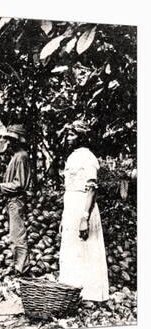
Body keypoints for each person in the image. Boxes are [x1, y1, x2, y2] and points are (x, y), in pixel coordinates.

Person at [58, 120, 109, 302]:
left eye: (72, 135)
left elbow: (91, 189)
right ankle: (73, 292)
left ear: (82, 137)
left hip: (82, 205)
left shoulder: (88, 157)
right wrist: (66, 217)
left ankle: (91, 295)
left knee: (86, 248)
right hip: (71, 205)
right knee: (73, 249)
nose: (69, 138)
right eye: (69, 135)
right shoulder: (73, 157)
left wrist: (84, 217)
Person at [0, 124, 33, 275]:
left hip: (16, 200)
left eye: (11, 139)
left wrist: (0, 186)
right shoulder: (16, 156)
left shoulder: (21, 156)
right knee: (14, 234)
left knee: (18, 235)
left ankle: (22, 268)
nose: (9, 142)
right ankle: (18, 265)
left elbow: (20, 184)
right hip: (12, 200)